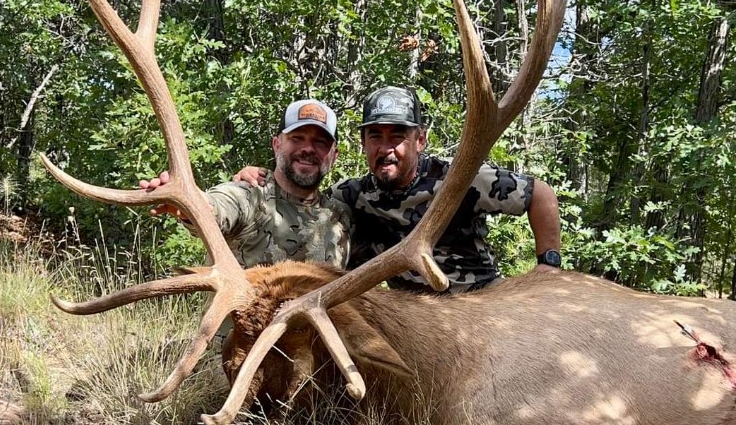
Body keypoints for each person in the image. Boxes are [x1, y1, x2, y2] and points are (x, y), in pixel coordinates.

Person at [234, 86, 561, 292]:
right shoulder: (353, 196)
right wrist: (257, 178)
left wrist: (548, 264)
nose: (386, 147)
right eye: (376, 136)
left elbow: (540, 193)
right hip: (414, 320)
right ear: (363, 143)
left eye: (397, 136)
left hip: (480, 302)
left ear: (420, 140)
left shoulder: (460, 179)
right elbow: (304, 199)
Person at [138, 98, 351, 270]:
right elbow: (218, 206)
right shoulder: (250, 194)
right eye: (297, 138)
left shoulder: (341, 215)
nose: (308, 149)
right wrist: (189, 203)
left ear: (334, 156)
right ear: (276, 144)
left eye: (320, 142)